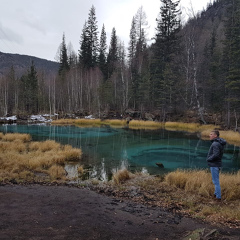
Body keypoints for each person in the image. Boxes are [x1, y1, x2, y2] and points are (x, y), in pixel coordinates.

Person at [206, 130, 226, 201]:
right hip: (217, 164)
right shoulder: (219, 142)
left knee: (216, 181)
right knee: (215, 180)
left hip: (215, 164)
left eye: (211, 134)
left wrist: (209, 159)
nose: (209, 135)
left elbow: (216, 155)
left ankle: (218, 197)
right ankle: (215, 194)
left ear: (215, 136)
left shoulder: (215, 144)